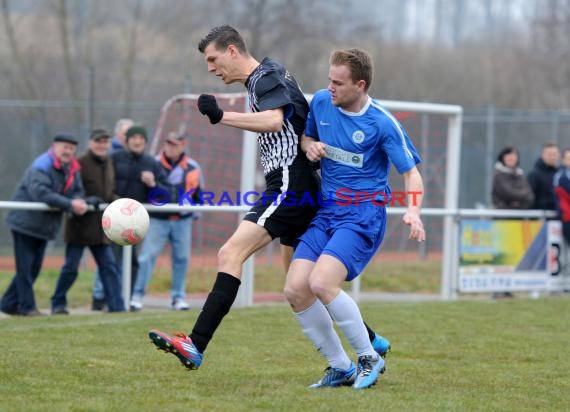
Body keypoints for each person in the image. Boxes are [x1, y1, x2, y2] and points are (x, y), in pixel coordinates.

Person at [148, 25, 389, 370]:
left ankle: (195, 344)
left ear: (233, 51)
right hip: (301, 185)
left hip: (290, 185)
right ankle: (371, 341)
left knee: (230, 252)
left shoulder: (265, 77)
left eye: (214, 59)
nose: (211, 68)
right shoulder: (267, 76)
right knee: (300, 286)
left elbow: (275, 121)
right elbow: (297, 123)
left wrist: (221, 115)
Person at [283, 48, 425, 389]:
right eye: (329, 80)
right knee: (295, 289)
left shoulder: (382, 123)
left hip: (362, 214)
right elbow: (308, 137)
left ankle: (369, 357)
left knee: (322, 283)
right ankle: (340, 366)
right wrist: (308, 146)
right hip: (328, 211)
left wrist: (414, 210)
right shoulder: (320, 102)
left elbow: (411, 174)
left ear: (360, 85)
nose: (329, 87)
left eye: (338, 83)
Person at [0, 134, 87, 316]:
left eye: (71, 148)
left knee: (34, 268)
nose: (68, 151)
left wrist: (78, 200)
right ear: (54, 147)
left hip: (43, 227)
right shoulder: (42, 165)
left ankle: (8, 303)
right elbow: (40, 192)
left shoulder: (73, 168)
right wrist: (70, 204)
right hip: (24, 223)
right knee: (25, 268)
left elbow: (77, 190)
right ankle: (27, 307)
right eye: (65, 147)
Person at [50, 129, 125, 314]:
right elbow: (71, 190)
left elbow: (108, 194)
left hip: (101, 228)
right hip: (79, 226)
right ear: (91, 143)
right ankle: (57, 304)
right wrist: (85, 200)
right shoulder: (79, 162)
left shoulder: (109, 163)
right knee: (71, 268)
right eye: (98, 141)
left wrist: (122, 202)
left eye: (105, 142)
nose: (102, 145)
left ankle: (117, 306)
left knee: (109, 267)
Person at [92, 125, 165, 308]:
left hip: (135, 223)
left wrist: (153, 184)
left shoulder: (152, 163)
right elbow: (104, 185)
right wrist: (117, 203)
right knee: (111, 261)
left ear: (145, 142)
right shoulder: (113, 159)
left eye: (141, 138)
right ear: (127, 140)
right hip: (113, 219)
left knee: (132, 262)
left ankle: (127, 298)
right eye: (134, 137)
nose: (137, 141)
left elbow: (164, 195)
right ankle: (102, 298)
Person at [130, 133, 203, 311]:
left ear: (183, 146)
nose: (170, 147)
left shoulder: (193, 166)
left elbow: (199, 193)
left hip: (182, 220)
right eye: (168, 144)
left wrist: (195, 213)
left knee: (181, 259)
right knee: (147, 257)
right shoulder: (153, 163)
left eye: (175, 144)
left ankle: (178, 297)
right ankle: (137, 296)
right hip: (158, 219)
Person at [90, 118, 134, 310]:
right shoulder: (112, 155)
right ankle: (100, 296)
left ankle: (115, 298)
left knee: (119, 260)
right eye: (126, 133)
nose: (129, 137)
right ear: (118, 135)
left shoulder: (132, 155)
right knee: (108, 258)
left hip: (128, 213)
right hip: (114, 213)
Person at [528, 142, 560, 211]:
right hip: (540, 217)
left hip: (559, 217)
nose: (552, 157)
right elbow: (530, 199)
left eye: (554, 154)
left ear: (558, 155)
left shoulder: (560, 175)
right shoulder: (534, 175)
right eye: (549, 154)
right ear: (542, 155)